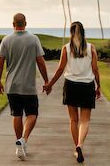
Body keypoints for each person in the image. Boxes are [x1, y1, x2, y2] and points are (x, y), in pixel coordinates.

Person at [43, 21, 101, 164]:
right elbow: (95, 69)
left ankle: (77, 148)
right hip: (87, 86)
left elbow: (60, 69)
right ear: (83, 32)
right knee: (85, 120)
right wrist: (98, 86)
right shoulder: (91, 48)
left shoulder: (66, 48)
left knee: (73, 120)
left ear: (71, 32)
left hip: (71, 86)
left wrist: (50, 84)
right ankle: (80, 145)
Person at [0, 13, 49, 160]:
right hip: (28, 86)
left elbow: (0, 62)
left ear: (13, 24)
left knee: (16, 114)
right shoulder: (33, 39)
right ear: (25, 23)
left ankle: (19, 143)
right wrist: (46, 81)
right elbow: (40, 62)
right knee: (32, 114)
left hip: (12, 85)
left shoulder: (6, 40)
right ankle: (23, 140)